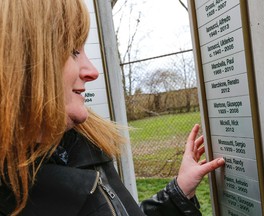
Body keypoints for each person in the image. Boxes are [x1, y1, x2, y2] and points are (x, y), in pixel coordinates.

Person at [0, 0, 225, 215]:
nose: (92, 71)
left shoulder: (79, 148)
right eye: (72, 51)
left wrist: (179, 191)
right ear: (20, 61)